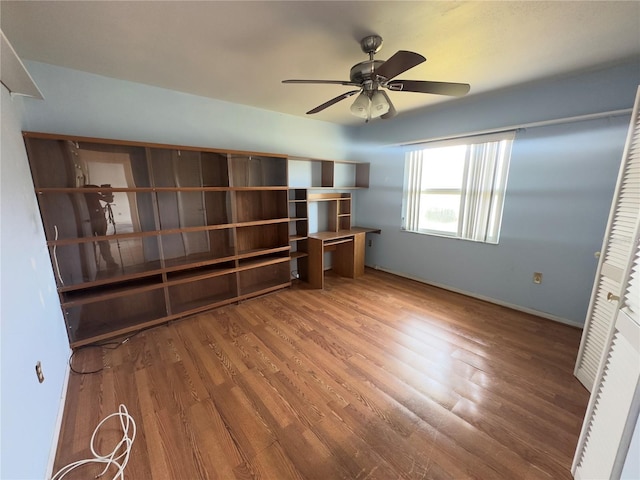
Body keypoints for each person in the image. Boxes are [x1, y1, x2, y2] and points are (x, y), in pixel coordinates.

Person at [83, 184, 118, 269]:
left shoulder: (85, 193)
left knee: (94, 243)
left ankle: (95, 264)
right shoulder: (92, 193)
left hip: (90, 220)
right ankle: (109, 262)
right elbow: (109, 200)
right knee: (102, 242)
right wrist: (108, 192)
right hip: (97, 220)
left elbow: (108, 200)